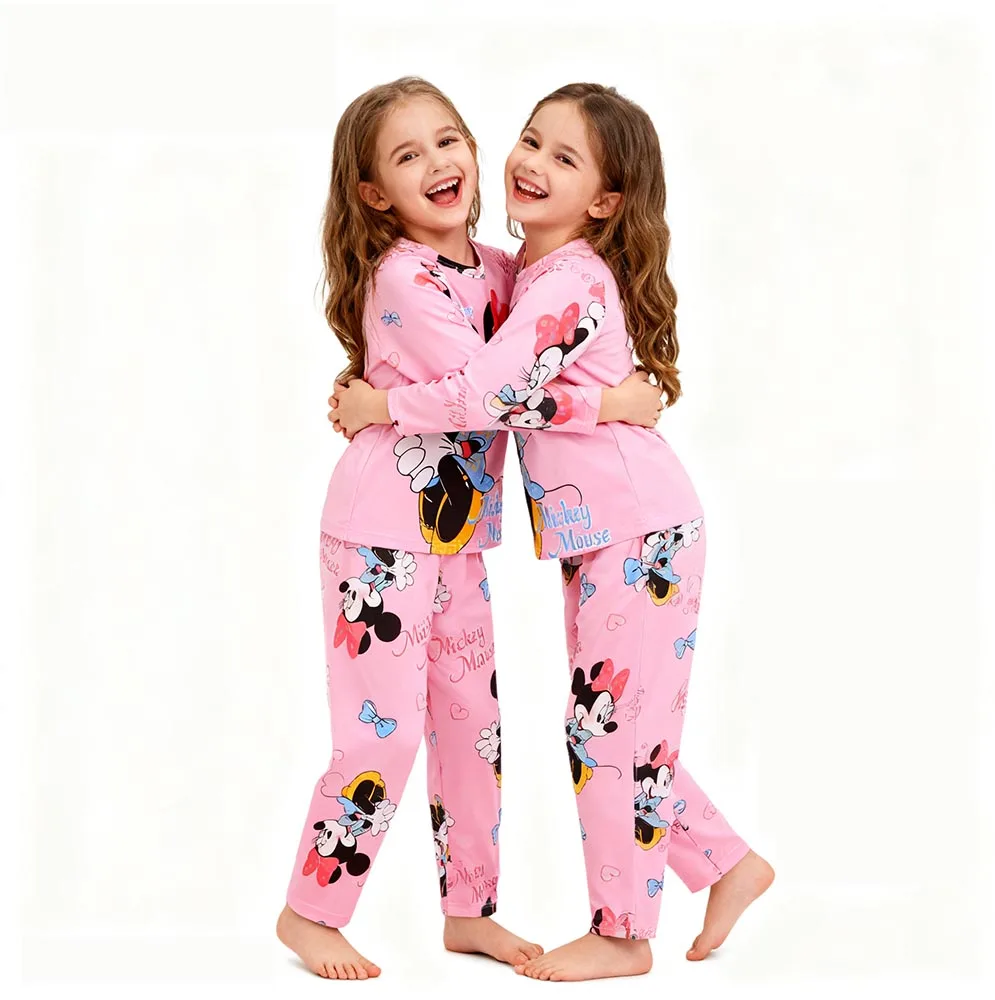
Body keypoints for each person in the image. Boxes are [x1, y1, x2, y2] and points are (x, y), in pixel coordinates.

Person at [330, 82, 774, 983]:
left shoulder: (566, 280)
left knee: (607, 730)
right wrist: (604, 397)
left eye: (565, 159)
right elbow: (470, 333)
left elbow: (490, 392)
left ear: (605, 201)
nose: (532, 162)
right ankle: (723, 862)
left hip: (638, 531)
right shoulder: (521, 272)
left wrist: (384, 406)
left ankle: (625, 932)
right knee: (607, 727)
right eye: (531, 141)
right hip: (607, 532)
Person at [278, 76, 661, 982]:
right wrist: (609, 403)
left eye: (447, 140)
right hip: (379, 540)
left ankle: (468, 912)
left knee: (471, 727)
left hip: (455, 540)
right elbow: (491, 395)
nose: (437, 163)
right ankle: (310, 911)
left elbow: (544, 337)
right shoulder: (401, 278)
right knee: (382, 735)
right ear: (375, 194)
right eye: (407, 156)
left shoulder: (503, 269)